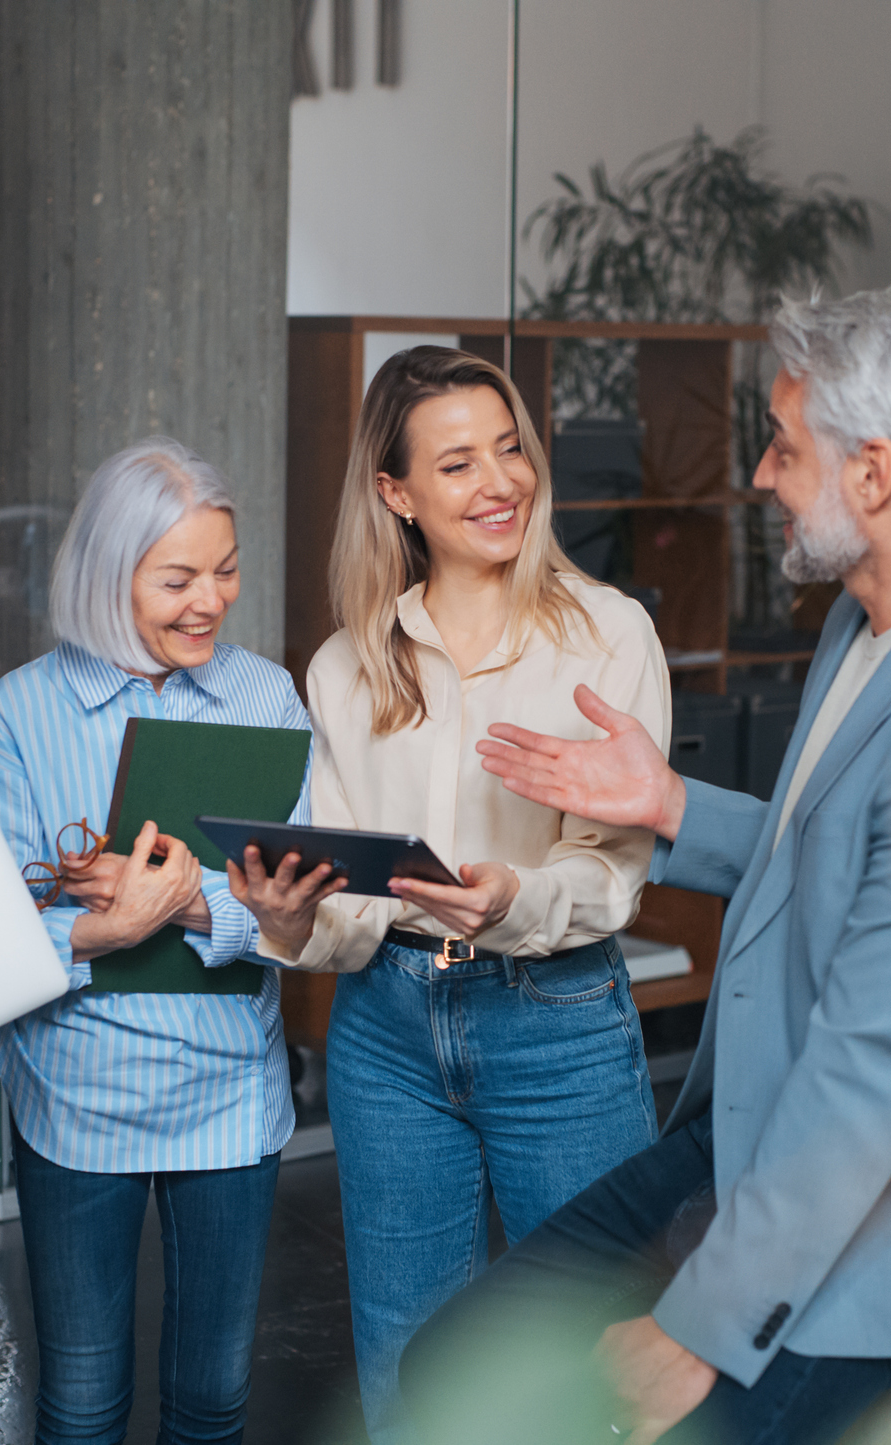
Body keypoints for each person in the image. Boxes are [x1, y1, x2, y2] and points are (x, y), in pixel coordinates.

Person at [398, 287, 891, 1445]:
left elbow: (881, 1057)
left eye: (783, 448)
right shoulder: (867, 620)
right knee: (454, 1366)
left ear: (871, 474)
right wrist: (667, 801)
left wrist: (695, 1325)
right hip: (747, 1136)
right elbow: (830, 853)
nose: (761, 476)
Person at [235, 346, 671, 1440]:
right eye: (459, 462)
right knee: (406, 1345)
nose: (500, 482)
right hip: (385, 1029)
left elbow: (610, 869)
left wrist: (512, 897)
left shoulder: (607, 633)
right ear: (396, 494)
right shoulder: (347, 663)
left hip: (556, 1023)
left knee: (594, 1339)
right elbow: (347, 902)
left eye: (510, 448)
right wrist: (290, 916)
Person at [0, 438, 337, 1445]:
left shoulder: (266, 698)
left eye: (225, 569)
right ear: (104, 574)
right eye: (176, 578)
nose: (208, 600)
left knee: (211, 1400)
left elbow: (299, 909)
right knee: (79, 1404)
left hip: (228, 1101)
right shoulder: (19, 715)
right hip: (73, 1102)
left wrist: (183, 903)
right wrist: (108, 922)